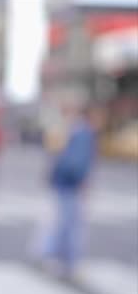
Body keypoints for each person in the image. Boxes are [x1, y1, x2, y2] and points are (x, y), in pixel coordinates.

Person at [39, 104, 102, 278]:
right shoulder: (83, 133)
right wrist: (80, 180)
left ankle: (54, 257)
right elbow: (75, 162)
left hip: (64, 184)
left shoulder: (72, 130)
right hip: (70, 185)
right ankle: (66, 260)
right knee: (71, 225)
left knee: (64, 222)